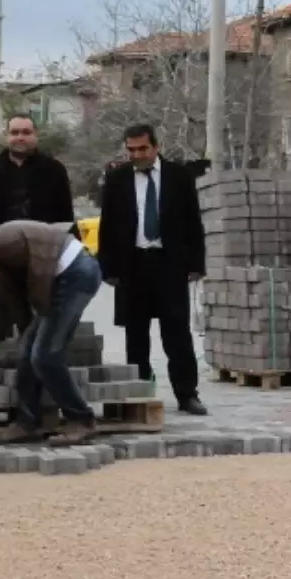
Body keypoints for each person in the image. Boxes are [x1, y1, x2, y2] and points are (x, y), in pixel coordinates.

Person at [0, 220, 100, 445]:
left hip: (75, 274)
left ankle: (81, 419)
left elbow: (2, 300)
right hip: (60, 277)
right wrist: (17, 335)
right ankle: (27, 423)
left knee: (45, 356)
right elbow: (13, 297)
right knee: (27, 350)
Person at [97, 123, 208, 416]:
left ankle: (187, 394)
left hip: (170, 264)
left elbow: (193, 222)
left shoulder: (178, 177)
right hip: (132, 264)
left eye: (142, 148)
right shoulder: (117, 179)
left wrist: (196, 264)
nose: (136, 155)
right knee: (136, 334)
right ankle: (140, 392)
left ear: (155, 147)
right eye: (131, 150)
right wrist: (106, 266)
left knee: (177, 333)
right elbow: (107, 225)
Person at [0, 114, 76, 341]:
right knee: (1, 321)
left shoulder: (54, 170)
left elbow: (65, 216)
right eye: (15, 132)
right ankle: (3, 368)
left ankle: (32, 370)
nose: (20, 138)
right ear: (5, 136)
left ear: (35, 136)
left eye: (26, 133)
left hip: (42, 258)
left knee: (40, 324)